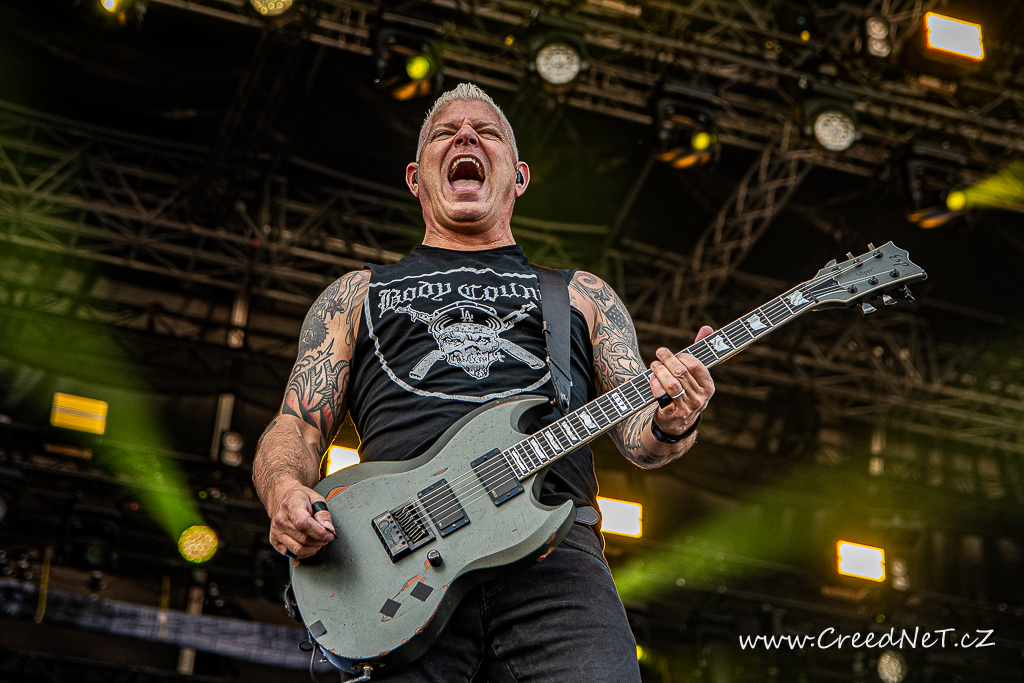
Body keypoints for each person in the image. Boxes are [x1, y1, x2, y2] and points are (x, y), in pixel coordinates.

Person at [252, 82, 716, 682]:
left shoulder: (582, 295)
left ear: (518, 178)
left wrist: (674, 419)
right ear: (416, 178)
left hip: (554, 555)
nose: (466, 136)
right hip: (401, 561)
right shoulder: (356, 295)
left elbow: (639, 438)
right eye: (445, 133)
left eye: (487, 132)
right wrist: (285, 490)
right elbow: (297, 424)